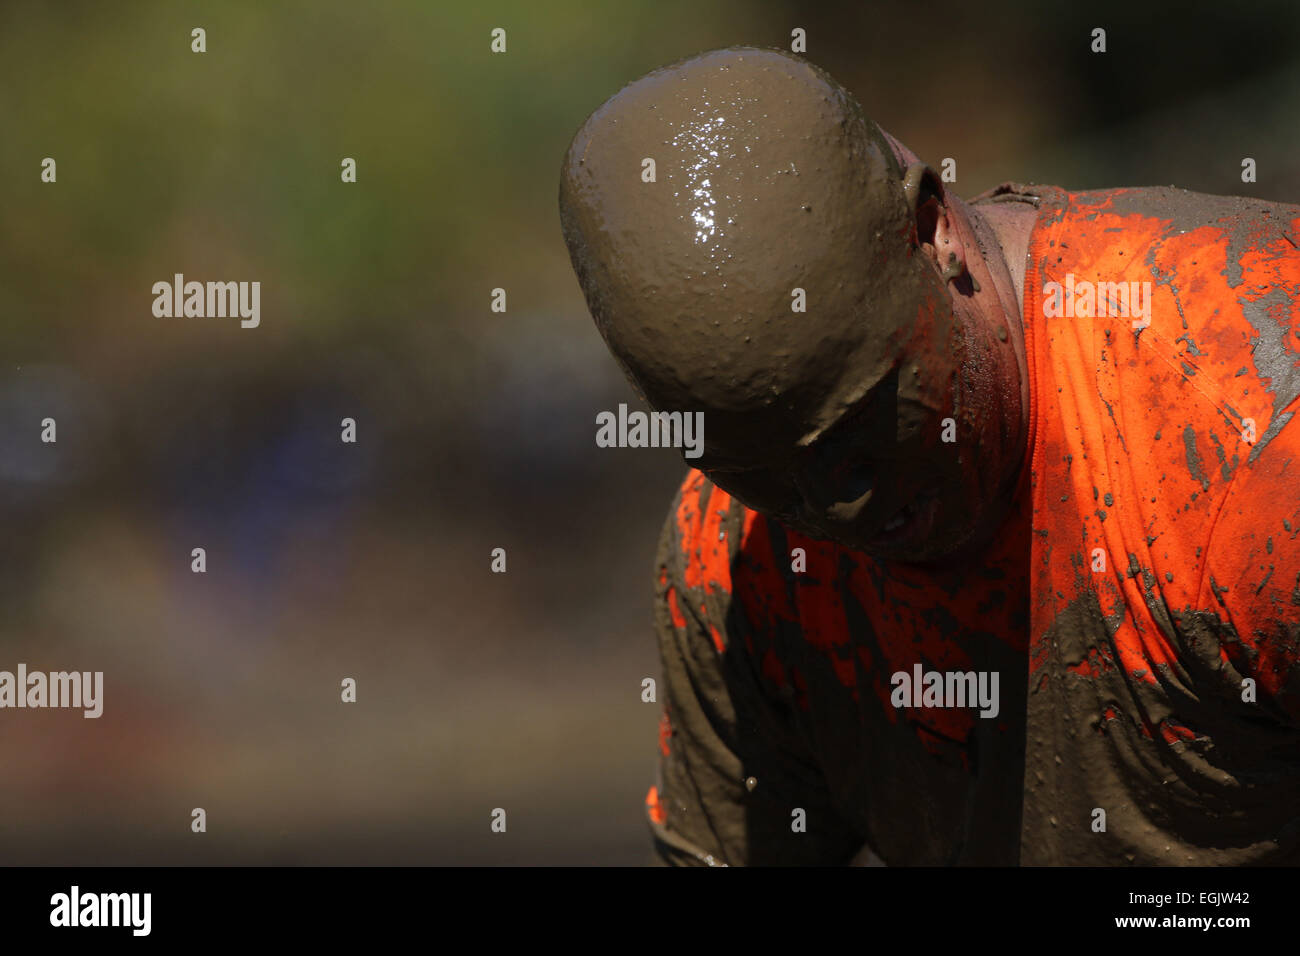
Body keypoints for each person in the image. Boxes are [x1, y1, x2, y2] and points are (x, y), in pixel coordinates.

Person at [559, 46, 1300, 865]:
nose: (836, 507)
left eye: (859, 426)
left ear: (932, 230)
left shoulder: (1246, 426)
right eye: (766, 477)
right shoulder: (732, 559)